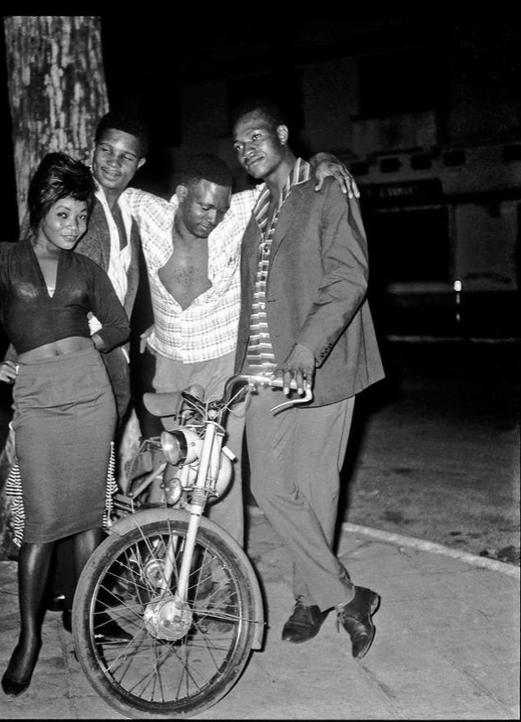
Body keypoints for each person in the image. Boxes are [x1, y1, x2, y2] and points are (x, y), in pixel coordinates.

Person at [0, 152, 130, 696]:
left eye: (82, 216)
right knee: (41, 526)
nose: (74, 227)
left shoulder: (85, 270)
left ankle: (85, 627)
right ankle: (29, 639)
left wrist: (83, 346)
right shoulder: (1, 260)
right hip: (38, 401)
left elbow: (118, 323)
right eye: (64, 214)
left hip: (90, 397)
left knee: (88, 521)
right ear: (40, 207)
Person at [122, 152, 359, 547]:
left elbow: (289, 175)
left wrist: (322, 159)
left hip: (222, 361)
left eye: (221, 209)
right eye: (204, 206)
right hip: (170, 363)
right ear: (180, 195)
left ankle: (225, 571)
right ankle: (168, 563)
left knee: (219, 472)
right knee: (175, 462)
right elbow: (107, 184)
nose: (213, 218)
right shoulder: (149, 211)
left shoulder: (238, 212)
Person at [230, 97, 385, 659]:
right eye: (238, 145)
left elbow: (349, 277)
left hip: (320, 362)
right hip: (264, 372)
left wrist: (304, 349)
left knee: (318, 485)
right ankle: (347, 595)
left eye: (255, 137)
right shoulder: (254, 209)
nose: (246, 150)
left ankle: (308, 599)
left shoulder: (326, 188)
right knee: (271, 486)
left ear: (282, 133)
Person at [6, 111, 150, 618]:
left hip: (109, 361)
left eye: (126, 156)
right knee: (68, 484)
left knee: (87, 484)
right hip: (70, 364)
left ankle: (74, 600)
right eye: (106, 150)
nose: (114, 162)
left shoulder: (128, 208)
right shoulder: (73, 203)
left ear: (139, 164)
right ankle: (78, 604)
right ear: (93, 148)